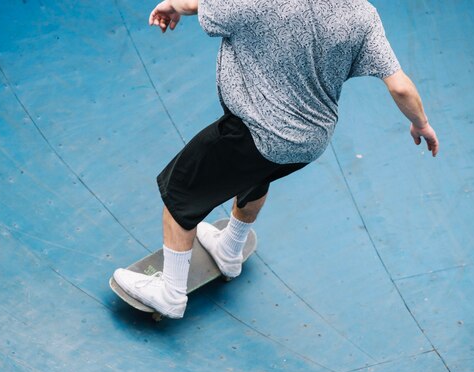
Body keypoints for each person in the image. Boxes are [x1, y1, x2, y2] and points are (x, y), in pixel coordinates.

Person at [113, 0, 440, 318]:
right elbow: (400, 87)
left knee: (179, 194)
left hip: (253, 131)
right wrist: (421, 123)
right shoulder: (363, 15)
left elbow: (200, 6)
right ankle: (229, 251)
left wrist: (173, 4)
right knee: (258, 176)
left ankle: (170, 294)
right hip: (308, 142)